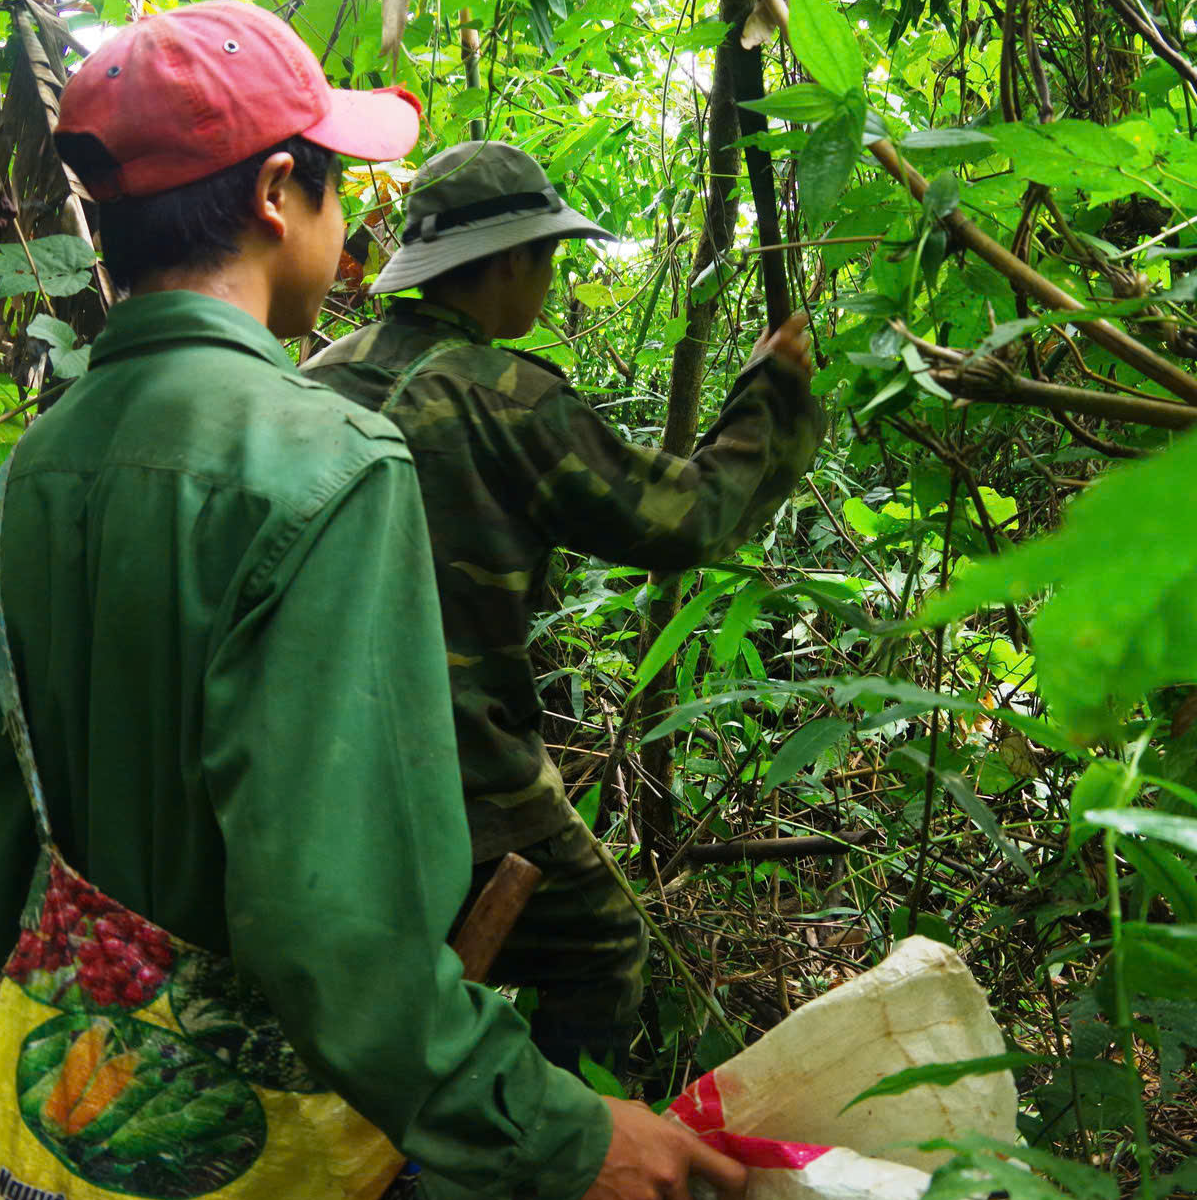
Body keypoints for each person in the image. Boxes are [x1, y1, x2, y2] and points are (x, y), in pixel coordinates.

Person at [0, 1, 746, 1200]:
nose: (349, 226)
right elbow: (330, 916)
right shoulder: (322, 466)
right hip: (277, 1146)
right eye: (337, 186)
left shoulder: (13, 486)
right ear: (273, 193)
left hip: (62, 1127)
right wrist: (561, 1130)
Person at [302, 141, 824, 1078]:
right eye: (545, 258)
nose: (548, 278)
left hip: (305, 761)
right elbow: (689, 515)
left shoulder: (317, 377)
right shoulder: (508, 398)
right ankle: (544, 1183)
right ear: (506, 263)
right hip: (454, 775)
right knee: (599, 947)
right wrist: (774, 394)